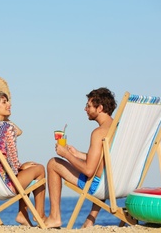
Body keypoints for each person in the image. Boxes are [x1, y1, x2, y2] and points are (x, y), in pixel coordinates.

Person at [0, 76, 46, 227]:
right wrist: (21, 166)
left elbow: (19, 131)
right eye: (4, 102)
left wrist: (4, 118)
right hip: (5, 183)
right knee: (39, 169)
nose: (9, 104)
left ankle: (23, 214)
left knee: (28, 169)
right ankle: (39, 215)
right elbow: (13, 164)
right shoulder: (7, 129)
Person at [44, 87, 117, 228]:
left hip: (99, 185)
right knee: (98, 174)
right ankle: (90, 221)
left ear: (100, 108)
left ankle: (55, 217)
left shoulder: (99, 132)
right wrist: (77, 155)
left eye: (88, 106)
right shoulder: (118, 128)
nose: (85, 109)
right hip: (114, 183)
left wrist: (66, 154)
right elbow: (103, 160)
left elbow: (89, 170)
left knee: (53, 163)